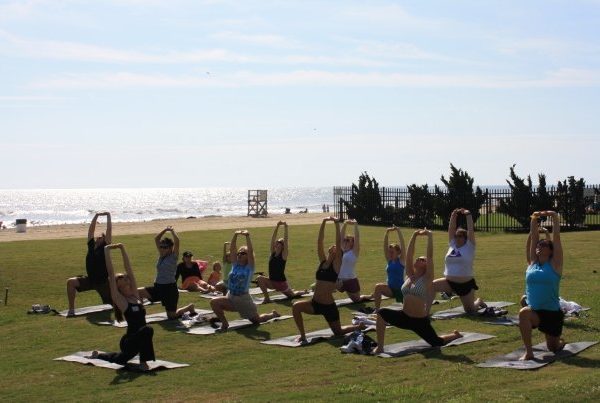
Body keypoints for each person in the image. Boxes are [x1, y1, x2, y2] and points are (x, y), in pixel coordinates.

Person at [373, 230, 462, 354]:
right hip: (404, 316)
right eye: (419, 258)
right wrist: (414, 235)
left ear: (426, 265)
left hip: (419, 321)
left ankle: (454, 335)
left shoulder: (427, 278)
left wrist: (429, 236)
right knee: (381, 314)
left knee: (436, 342)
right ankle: (380, 347)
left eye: (422, 259)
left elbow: (429, 256)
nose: (419, 259)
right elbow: (409, 254)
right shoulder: (409, 275)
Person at [292, 217, 365, 343]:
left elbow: (338, 240)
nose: (334, 247)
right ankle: (303, 336)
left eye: (336, 247)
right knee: (296, 307)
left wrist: (337, 224)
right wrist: (324, 222)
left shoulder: (336, 265)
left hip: (328, 306)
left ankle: (359, 326)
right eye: (332, 247)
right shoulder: (323, 262)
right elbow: (319, 242)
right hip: (315, 303)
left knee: (338, 332)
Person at [89, 243, 155, 371]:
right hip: (129, 341)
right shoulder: (121, 300)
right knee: (147, 329)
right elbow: (111, 272)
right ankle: (143, 363)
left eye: (125, 276)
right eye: (120, 277)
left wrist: (122, 248)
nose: (124, 277)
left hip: (139, 340)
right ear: (117, 284)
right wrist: (106, 250)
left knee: (119, 359)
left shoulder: (135, 295)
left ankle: (99, 355)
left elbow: (128, 268)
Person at [209, 230, 280, 331]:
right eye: (239, 253)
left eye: (243, 253)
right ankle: (225, 324)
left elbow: (250, 251)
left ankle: (272, 315)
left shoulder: (249, 268)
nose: (240, 255)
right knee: (213, 302)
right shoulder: (235, 265)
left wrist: (247, 236)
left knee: (257, 320)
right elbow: (232, 249)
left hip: (243, 300)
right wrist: (235, 234)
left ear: (248, 256)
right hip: (231, 297)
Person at [518, 211, 565, 360]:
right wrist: (534, 219)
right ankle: (529, 352)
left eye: (544, 244)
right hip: (535, 312)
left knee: (553, 348)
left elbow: (556, 238)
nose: (539, 245)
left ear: (551, 250)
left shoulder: (555, 265)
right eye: (538, 245)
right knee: (523, 312)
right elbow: (534, 237)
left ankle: (559, 342)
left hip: (552, 314)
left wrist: (554, 217)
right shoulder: (532, 263)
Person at [432, 208, 486, 313]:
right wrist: (453, 215)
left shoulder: (470, 246)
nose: (457, 238)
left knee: (470, 310)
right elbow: (451, 229)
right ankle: (425, 312)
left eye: (460, 236)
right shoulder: (452, 244)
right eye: (456, 236)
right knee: (431, 286)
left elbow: (470, 230)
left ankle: (478, 301)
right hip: (449, 282)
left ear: (465, 238)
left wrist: (468, 215)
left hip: (465, 284)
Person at [138, 227, 196, 319]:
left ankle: (189, 307)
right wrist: (165, 230)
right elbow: (156, 239)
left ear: (170, 248)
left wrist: (172, 231)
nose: (162, 249)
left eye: (165, 247)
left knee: (172, 316)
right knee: (137, 292)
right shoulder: (161, 255)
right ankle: (140, 314)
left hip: (170, 290)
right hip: (158, 287)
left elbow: (177, 242)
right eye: (161, 247)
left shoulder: (173, 257)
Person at [66, 212, 113, 317]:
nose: (97, 237)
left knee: (113, 304)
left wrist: (108, 215)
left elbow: (109, 230)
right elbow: (91, 230)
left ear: (105, 239)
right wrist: (96, 216)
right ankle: (71, 310)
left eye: (100, 237)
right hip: (90, 280)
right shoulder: (91, 246)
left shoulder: (105, 247)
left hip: (103, 283)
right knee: (70, 282)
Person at [256, 221, 308, 303]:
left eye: (280, 242)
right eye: (277, 242)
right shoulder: (272, 253)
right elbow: (273, 238)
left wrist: (285, 227)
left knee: (292, 295)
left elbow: (286, 240)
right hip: (272, 282)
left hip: (281, 283)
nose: (277, 243)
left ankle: (303, 292)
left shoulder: (283, 255)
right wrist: (277, 226)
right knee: (259, 278)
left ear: (283, 245)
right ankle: (267, 298)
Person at [369, 226, 406, 310]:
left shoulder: (401, 260)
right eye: (389, 252)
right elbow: (385, 247)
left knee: (407, 311)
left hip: (399, 290)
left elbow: (403, 245)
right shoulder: (389, 260)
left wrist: (398, 231)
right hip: (390, 289)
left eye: (392, 252)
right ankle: (377, 310)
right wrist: (387, 233)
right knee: (378, 287)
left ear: (398, 252)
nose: (390, 253)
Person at [337, 219, 368, 303]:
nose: (345, 241)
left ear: (353, 243)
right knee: (327, 282)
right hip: (339, 281)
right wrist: (345, 223)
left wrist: (355, 224)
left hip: (350, 280)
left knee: (357, 300)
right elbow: (340, 236)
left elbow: (357, 237)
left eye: (348, 240)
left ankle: (370, 296)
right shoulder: (342, 250)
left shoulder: (354, 252)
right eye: (345, 240)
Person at [521, 227, 551, 307]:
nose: (539, 249)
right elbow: (528, 248)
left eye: (542, 247)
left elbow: (550, 247)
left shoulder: (548, 263)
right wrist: (531, 233)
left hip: (545, 296)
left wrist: (547, 233)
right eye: (538, 247)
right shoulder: (532, 263)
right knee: (523, 299)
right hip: (532, 297)